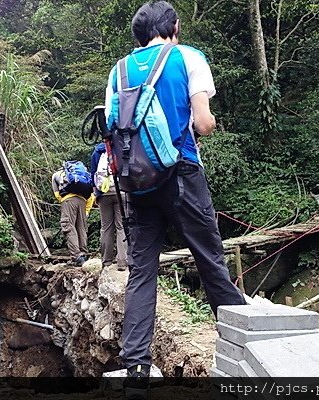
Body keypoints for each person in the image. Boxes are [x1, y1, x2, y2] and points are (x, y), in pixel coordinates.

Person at [104, 0, 246, 389]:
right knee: (209, 259)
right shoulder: (188, 57)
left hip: (138, 181)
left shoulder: (119, 70)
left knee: (142, 270)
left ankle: (136, 366)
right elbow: (202, 122)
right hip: (181, 171)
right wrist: (210, 122)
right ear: (173, 26)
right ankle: (244, 350)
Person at [90, 143, 128, 271]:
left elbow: (93, 173)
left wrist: (96, 193)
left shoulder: (98, 151)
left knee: (106, 227)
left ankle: (106, 261)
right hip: (121, 191)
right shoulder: (122, 146)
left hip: (104, 193)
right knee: (121, 226)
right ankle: (122, 261)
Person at [51, 166, 94, 266]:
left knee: (68, 226)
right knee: (81, 228)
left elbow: (57, 194)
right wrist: (86, 210)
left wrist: (65, 201)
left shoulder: (56, 175)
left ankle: (76, 257)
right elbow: (91, 196)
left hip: (68, 201)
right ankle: (83, 254)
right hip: (83, 201)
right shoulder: (83, 176)